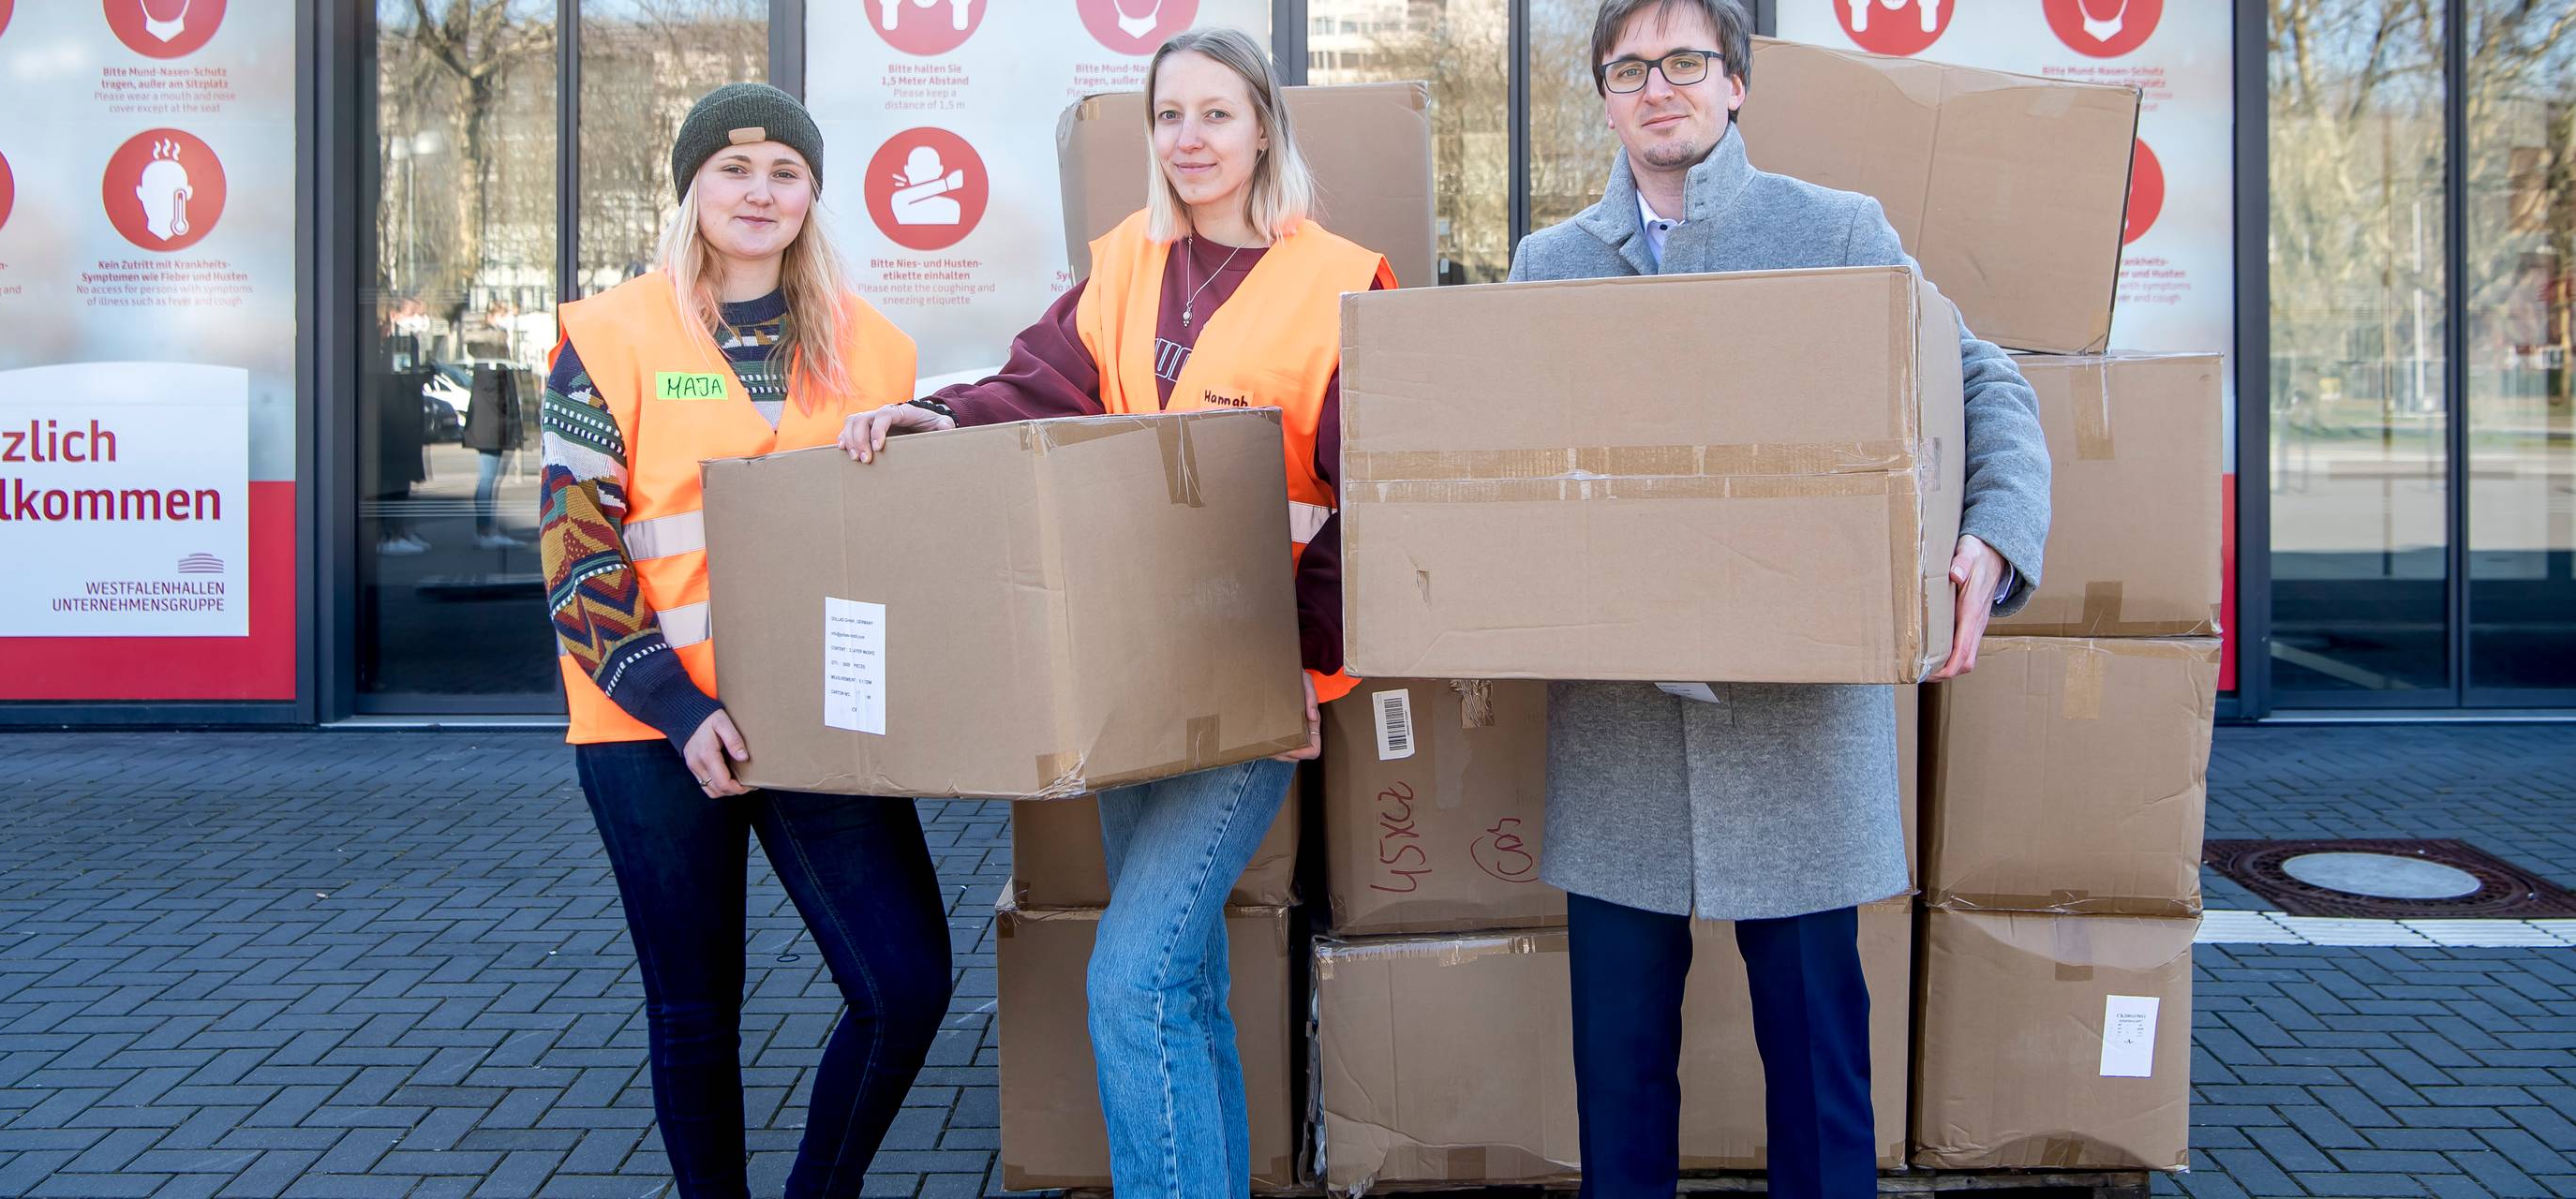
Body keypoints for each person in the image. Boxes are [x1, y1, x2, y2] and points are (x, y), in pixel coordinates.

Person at [835, 28, 1391, 1198]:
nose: (1191, 139)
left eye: (1217, 113)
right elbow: (1036, 383)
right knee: (1178, 980)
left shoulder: (1338, 279)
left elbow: (1380, 495)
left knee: (1131, 979)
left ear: (1263, 131)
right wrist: (934, 411)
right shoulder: (1128, 266)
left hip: (1252, 684)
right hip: (1138, 673)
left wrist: (1311, 659)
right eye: (1170, 115)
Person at [1507, 3, 2050, 1197]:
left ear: (1737, 83)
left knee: (1820, 1085)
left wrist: (1993, 534)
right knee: (1621, 1086)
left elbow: (1981, 377)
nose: (1660, 87)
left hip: (1797, 742)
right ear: (1604, 96)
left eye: (1687, 61)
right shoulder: (1548, 265)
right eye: (1630, 67)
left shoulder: (1836, 231)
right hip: (1620, 744)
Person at [539, 82, 949, 1199]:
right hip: (649, 722)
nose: (758, 191)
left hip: (819, 712)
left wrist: (938, 431)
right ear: (692, 188)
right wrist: (674, 705)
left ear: (812, 194)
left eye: (784, 171)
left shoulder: (878, 345)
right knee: (694, 1007)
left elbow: (914, 523)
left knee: (905, 984)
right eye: (733, 167)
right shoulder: (610, 333)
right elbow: (576, 548)